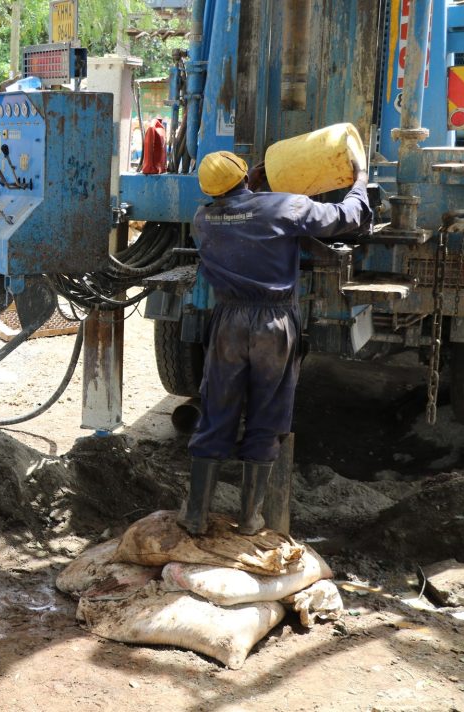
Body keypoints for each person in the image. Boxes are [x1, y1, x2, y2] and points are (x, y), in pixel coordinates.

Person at [179, 150, 371, 536]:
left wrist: (249, 189)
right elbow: (347, 217)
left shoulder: (203, 219)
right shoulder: (286, 206)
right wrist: (360, 179)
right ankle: (250, 519)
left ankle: (196, 515)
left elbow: (240, 215)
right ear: (245, 176)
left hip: (228, 323)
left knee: (217, 412)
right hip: (274, 324)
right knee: (267, 414)